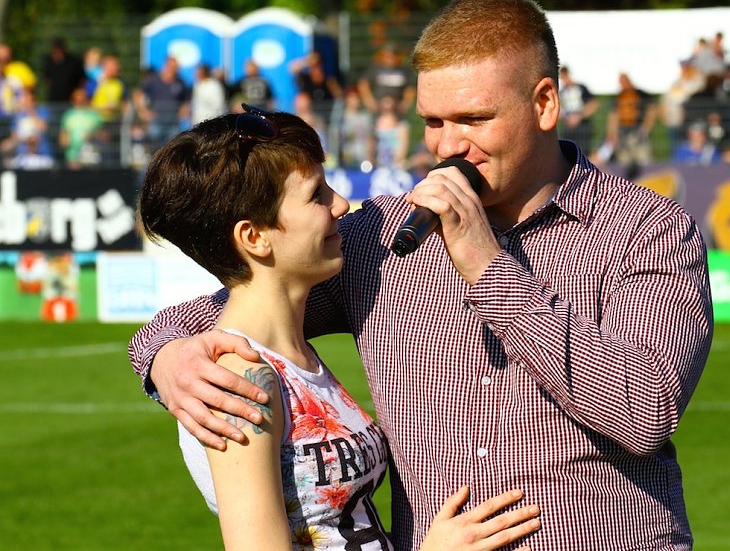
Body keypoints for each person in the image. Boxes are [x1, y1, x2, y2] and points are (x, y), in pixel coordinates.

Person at [129, 0, 713, 549]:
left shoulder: (648, 229)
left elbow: (645, 408)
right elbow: (243, 301)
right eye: (433, 121)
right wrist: (167, 358)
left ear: (544, 104)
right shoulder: (388, 235)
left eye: (473, 118)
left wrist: (487, 265)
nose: (448, 145)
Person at [136, 106, 541, 550]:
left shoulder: (295, 354)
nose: (341, 205)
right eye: (316, 196)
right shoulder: (240, 378)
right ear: (254, 237)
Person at [557, 65, 599, 155]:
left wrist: (579, 116)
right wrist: (567, 117)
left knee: (584, 153)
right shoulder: (562, 92)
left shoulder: (581, 88)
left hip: (582, 126)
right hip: (568, 127)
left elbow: (594, 104)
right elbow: (560, 110)